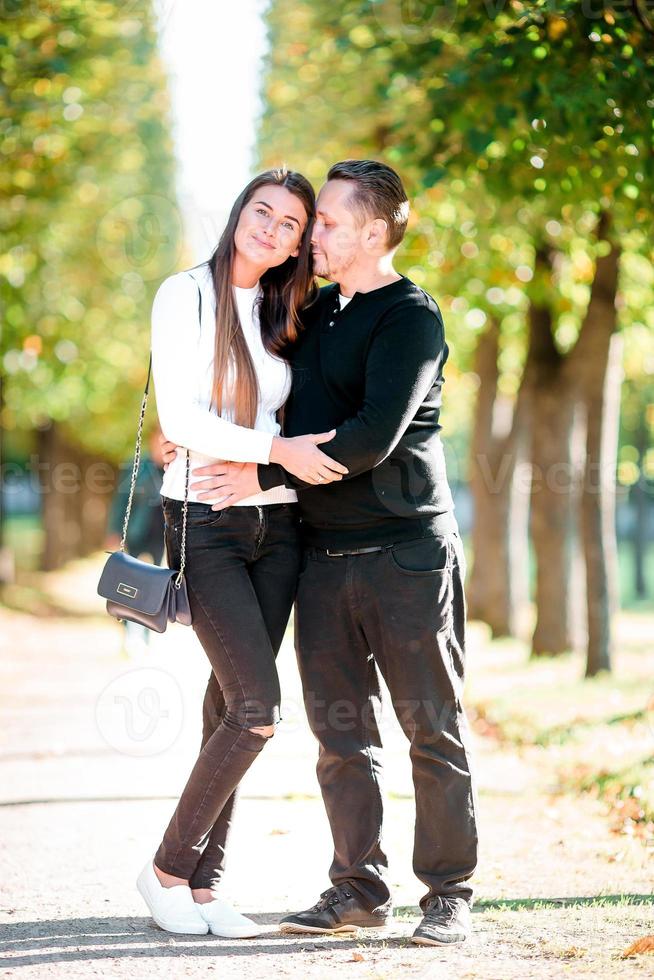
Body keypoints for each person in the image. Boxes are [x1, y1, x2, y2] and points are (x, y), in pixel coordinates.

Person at [166, 160, 479, 946]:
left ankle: (448, 893)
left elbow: (371, 438)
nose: (314, 238)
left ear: (374, 232)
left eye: (328, 224)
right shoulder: (314, 312)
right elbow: (270, 396)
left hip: (406, 553)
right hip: (322, 556)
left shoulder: (411, 317)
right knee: (343, 737)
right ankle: (358, 888)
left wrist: (259, 465)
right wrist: (200, 430)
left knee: (429, 726)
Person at [136, 167, 346, 940]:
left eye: (291, 223)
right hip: (205, 519)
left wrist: (272, 467)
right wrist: (273, 448)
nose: (272, 228)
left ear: (300, 242)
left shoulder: (284, 310)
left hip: (279, 526)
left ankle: (203, 888)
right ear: (238, 214)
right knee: (257, 708)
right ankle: (165, 869)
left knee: (229, 705)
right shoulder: (184, 294)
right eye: (263, 211)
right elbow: (182, 416)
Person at [105, 425, 166, 658]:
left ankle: (147, 634)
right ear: (151, 441)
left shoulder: (175, 468)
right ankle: (129, 631)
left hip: (161, 536)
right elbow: (121, 500)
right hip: (136, 533)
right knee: (131, 584)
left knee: (156, 586)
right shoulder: (137, 466)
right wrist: (114, 531)